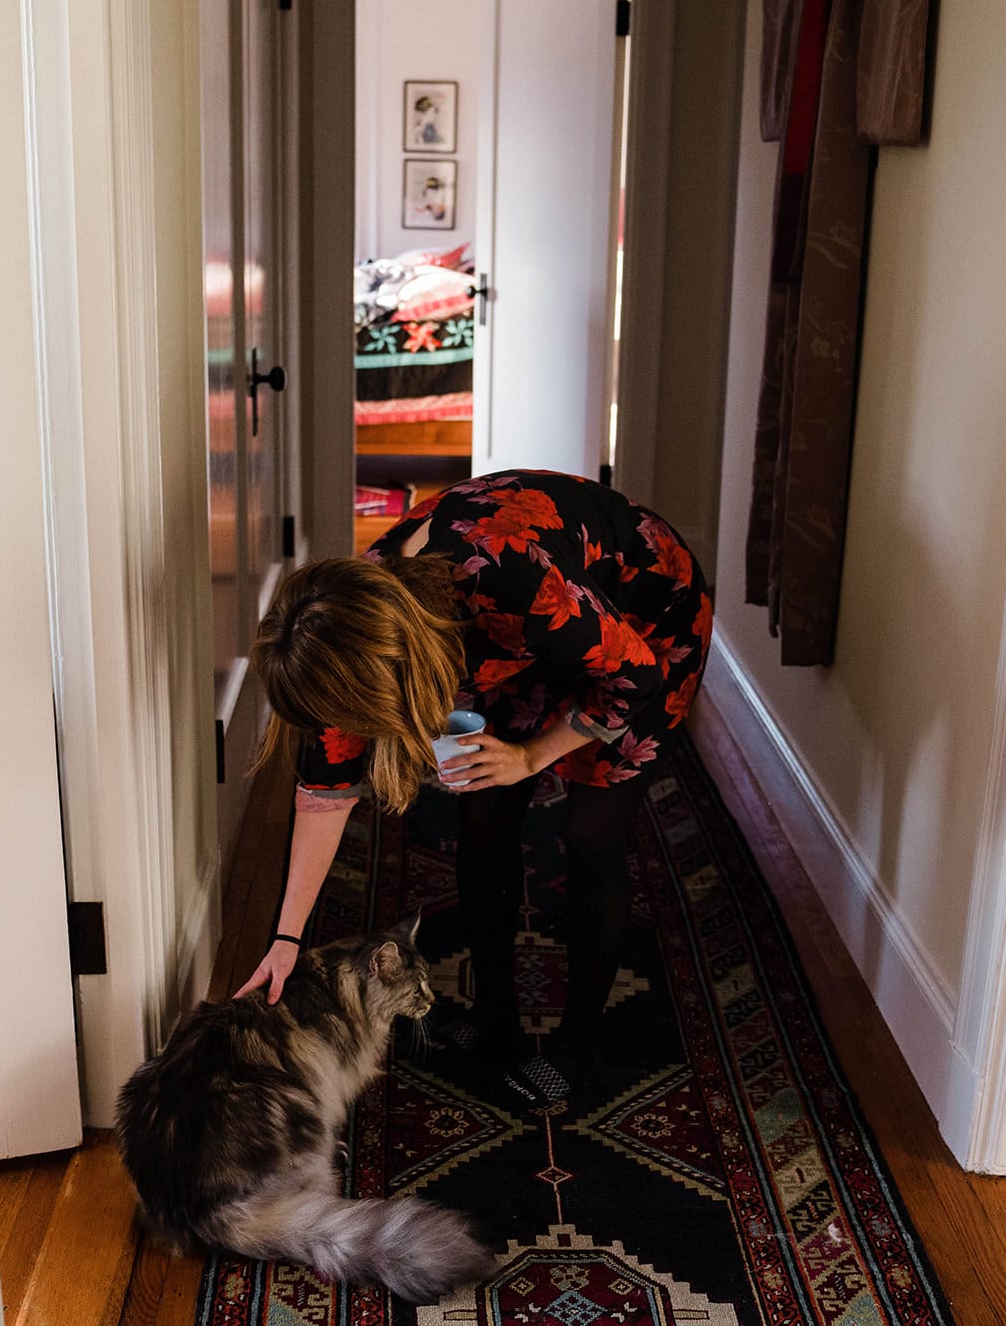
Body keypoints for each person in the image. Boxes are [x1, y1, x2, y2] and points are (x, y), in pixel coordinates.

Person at [236, 470, 713, 1102]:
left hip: (645, 618)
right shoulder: (340, 633)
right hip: (509, 637)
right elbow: (327, 786)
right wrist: (286, 939)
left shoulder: (514, 584)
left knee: (592, 835)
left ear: (397, 668)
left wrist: (532, 755)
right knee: (484, 818)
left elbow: (635, 677)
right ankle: (495, 1019)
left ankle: (579, 1044)